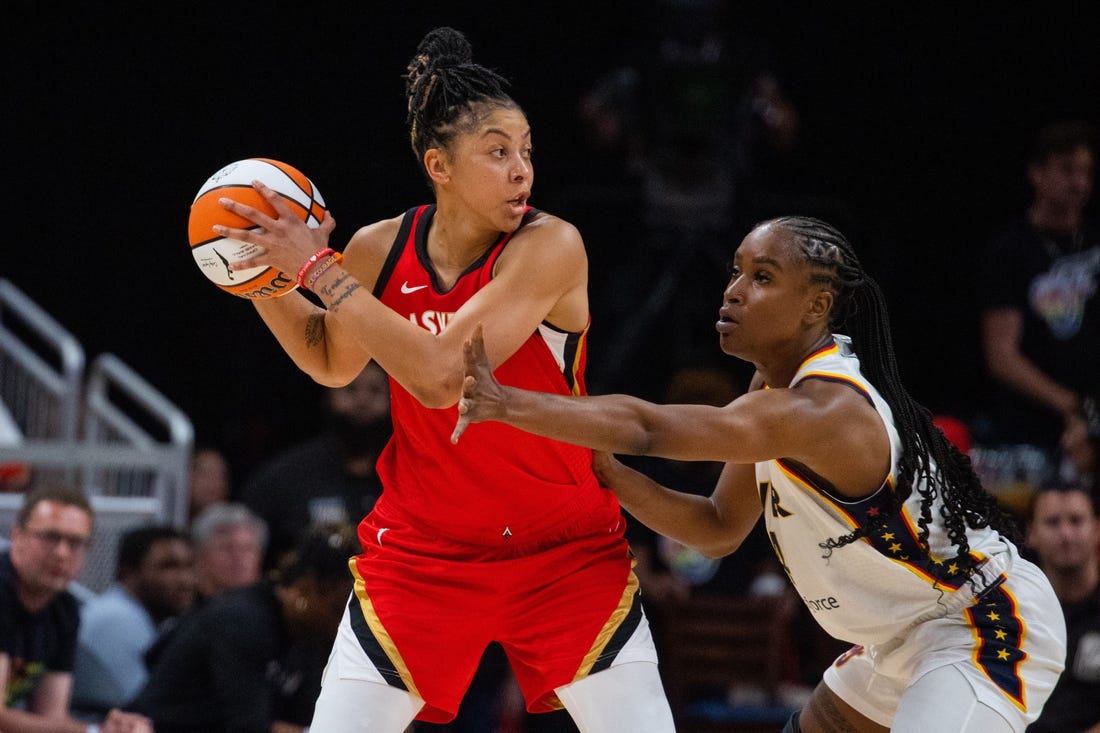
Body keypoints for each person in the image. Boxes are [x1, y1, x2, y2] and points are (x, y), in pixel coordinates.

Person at [209, 26, 674, 732]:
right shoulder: (378, 247)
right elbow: (332, 358)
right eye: (497, 151)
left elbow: (441, 378)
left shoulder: (549, 245)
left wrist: (317, 270)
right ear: (440, 164)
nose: (522, 169)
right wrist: (260, 272)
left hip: (563, 551)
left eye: (526, 151)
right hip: (425, 554)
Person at [453, 215, 1068, 732]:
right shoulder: (773, 390)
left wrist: (505, 403)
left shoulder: (821, 411)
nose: (736, 290)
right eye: (737, 271)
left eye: (763, 278)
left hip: (981, 624)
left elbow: (650, 428)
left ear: (816, 305)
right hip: (900, 635)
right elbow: (718, 527)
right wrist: (613, 478)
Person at [130, 521, 358, 733]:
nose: (341, 624)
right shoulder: (242, 621)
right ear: (306, 587)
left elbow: (308, 717)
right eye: (337, 610)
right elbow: (249, 727)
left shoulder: (312, 635)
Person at [978, 119, 1100, 490]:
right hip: (1027, 434)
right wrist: (1073, 407)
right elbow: (1002, 356)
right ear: (1037, 174)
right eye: (1066, 170)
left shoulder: (1094, 240)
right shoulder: (1010, 250)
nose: (1078, 182)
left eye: (1085, 172)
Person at [1, 483, 154, 733]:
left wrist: (107, 730)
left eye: (74, 543)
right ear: (17, 536)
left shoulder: (64, 608)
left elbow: (51, 717)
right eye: (50, 537)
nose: (62, 553)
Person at [240, 360, 390, 570]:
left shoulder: (406, 475)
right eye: (350, 389)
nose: (362, 400)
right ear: (328, 395)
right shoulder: (287, 475)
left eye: (375, 391)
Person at [71, 524, 195, 721]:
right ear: (128, 573)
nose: (184, 580)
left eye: (188, 567)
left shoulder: (135, 615)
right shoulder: (117, 619)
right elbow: (139, 712)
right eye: (169, 567)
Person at [1025, 482, 1100, 733]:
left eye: (1076, 521)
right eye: (1053, 522)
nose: (1066, 534)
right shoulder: (1011, 609)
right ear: (1031, 532)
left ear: (1097, 529)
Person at [189, 501, 267, 603]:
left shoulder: (276, 612)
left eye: (247, 549)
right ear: (200, 554)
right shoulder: (182, 607)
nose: (238, 557)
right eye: (227, 548)